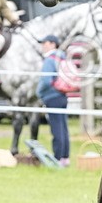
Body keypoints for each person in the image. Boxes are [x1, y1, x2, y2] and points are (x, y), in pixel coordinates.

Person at [37, 34, 70, 167]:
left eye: (45, 43)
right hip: (62, 95)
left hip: (52, 96)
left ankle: (57, 158)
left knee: (56, 128)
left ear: (52, 44)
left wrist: (38, 92)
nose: (42, 46)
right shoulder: (62, 57)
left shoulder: (50, 60)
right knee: (63, 127)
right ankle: (65, 157)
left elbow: (46, 80)